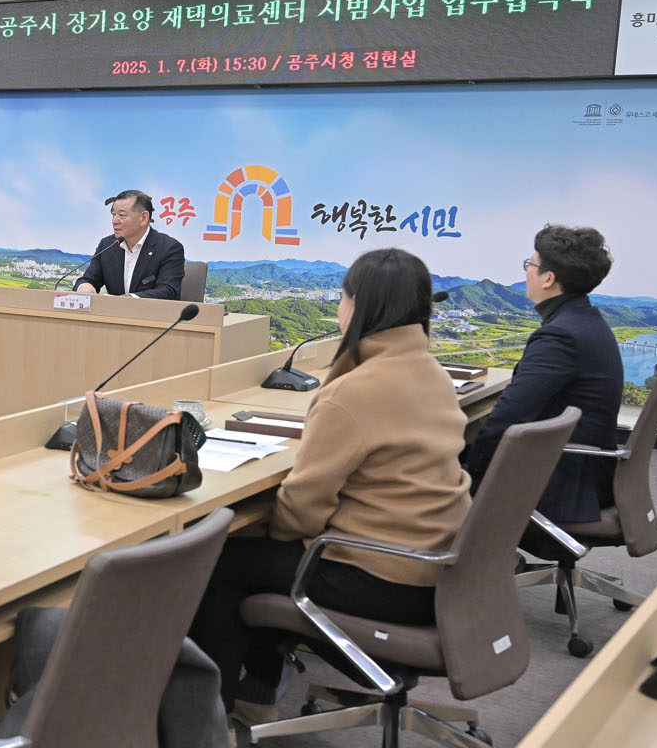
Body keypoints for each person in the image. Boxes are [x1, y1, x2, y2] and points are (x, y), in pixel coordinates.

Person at [189, 247, 471, 716]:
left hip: (381, 577)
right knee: (266, 556)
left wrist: (268, 530)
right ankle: (258, 692)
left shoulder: (354, 390)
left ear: (358, 305)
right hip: (438, 569)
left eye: (343, 297)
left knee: (220, 560)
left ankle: (207, 721)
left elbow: (304, 507)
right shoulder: (433, 375)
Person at [464, 225, 624, 527]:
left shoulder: (560, 336)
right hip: (586, 470)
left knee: (439, 470)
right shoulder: (586, 321)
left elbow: (506, 418)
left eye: (530, 264)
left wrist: (470, 478)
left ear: (548, 278)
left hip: (565, 484)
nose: (527, 271)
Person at [74, 189, 186, 299]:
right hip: (113, 311)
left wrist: (129, 299)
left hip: (150, 311)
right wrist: (85, 286)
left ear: (143, 218)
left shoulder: (169, 248)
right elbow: (89, 279)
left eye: (122, 215)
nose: (114, 221)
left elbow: (168, 291)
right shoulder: (107, 245)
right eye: (113, 215)